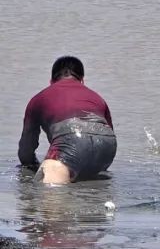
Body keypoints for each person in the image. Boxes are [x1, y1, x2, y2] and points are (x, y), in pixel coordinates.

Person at [18, 56, 117, 184]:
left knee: (49, 194)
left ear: (51, 81)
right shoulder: (98, 98)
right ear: (82, 80)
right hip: (107, 149)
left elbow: (26, 149)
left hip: (71, 141)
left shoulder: (38, 99)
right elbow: (110, 131)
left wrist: (31, 166)